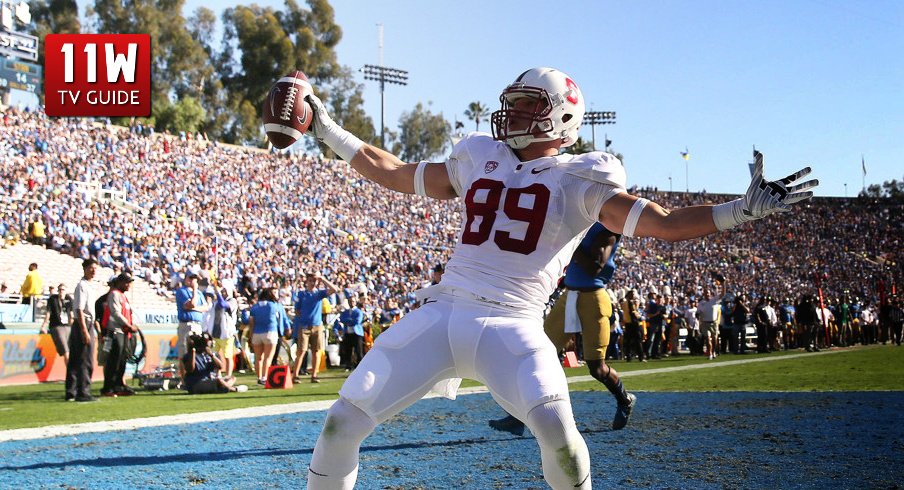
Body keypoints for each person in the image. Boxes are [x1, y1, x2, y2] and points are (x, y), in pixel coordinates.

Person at [302, 66, 817, 489]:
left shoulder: (581, 179)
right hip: (443, 310)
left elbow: (662, 223)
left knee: (559, 436)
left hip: (514, 322)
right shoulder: (478, 156)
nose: (515, 113)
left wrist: (738, 212)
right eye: (516, 102)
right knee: (342, 422)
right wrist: (327, 129)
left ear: (562, 118)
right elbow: (392, 170)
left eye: (530, 105)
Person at [489, 223, 636, 437]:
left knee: (597, 367)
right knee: (535, 352)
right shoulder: (585, 225)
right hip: (570, 295)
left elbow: (595, 266)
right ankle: (517, 417)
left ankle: (624, 400)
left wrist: (571, 244)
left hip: (593, 297)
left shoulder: (607, 230)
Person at [292, 272, 339, 384]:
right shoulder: (302, 295)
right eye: (310, 281)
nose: (312, 283)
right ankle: (295, 375)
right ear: (307, 282)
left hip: (317, 325)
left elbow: (334, 289)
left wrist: (323, 279)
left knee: (316, 351)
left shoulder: (319, 294)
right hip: (304, 326)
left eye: (314, 281)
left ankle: (314, 375)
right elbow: (297, 310)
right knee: (301, 351)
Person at [100, 271, 139, 397]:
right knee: (113, 361)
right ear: (120, 282)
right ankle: (108, 388)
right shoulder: (114, 294)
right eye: (127, 282)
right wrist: (128, 325)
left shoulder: (123, 296)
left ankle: (118, 386)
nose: (129, 285)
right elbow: (115, 313)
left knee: (122, 361)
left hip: (123, 332)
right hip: (115, 331)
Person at [65, 259, 99, 402]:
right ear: (85, 268)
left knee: (75, 359)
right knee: (85, 359)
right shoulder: (82, 286)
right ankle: (83, 392)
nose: (93, 271)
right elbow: (79, 309)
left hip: (86, 323)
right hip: (83, 323)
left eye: (95, 268)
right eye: (91, 268)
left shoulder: (90, 286)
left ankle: (71, 391)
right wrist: (84, 330)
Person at [248, 287, 291, 385]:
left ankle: (259, 378)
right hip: (270, 332)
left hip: (256, 333)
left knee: (258, 358)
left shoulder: (255, 306)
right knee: (268, 357)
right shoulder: (275, 305)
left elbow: (251, 322)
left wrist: (251, 336)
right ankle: (264, 377)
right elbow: (283, 318)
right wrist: (287, 328)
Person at [180, 332, 246, 394]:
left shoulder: (213, 354)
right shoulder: (190, 355)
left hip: (211, 379)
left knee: (231, 378)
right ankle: (234, 389)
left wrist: (211, 355)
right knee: (219, 381)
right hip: (197, 382)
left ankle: (221, 387)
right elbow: (190, 369)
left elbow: (220, 366)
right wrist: (193, 353)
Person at [203, 284, 239, 378]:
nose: (223, 292)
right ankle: (217, 374)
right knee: (214, 356)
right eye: (222, 291)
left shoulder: (232, 301)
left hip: (227, 333)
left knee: (227, 356)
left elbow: (223, 305)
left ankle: (228, 375)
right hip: (215, 333)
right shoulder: (216, 302)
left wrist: (217, 292)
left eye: (224, 291)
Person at [175, 273, 210, 367]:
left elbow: (206, 307)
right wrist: (194, 290)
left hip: (197, 324)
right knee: (185, 353)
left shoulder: (199, 293)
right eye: (190, 278)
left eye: (194, 279)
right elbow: (192, 304)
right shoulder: (182, 291)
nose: (192, 281)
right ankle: (185, 379)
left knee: (198, 352)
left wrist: (194, 309)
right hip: (186, 324)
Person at [41, 284, 72, 366]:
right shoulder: (53, 299)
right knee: (66, 351)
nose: (61, 291)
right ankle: (70, 375)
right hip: (57, 326)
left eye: (63, 290)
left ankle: (71, 373)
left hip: (67, 326)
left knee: (71, 350)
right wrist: (44, 325)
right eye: (60, 290)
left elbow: (71, 315)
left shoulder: (69, 299)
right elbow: (48, 313)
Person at [697, 280, 727, 360]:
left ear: (710, 294)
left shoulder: (714, 300)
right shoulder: (701, 303)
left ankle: (713, 351)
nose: (707, 294)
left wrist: (723, 284)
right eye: (705, 293)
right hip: (705, 323)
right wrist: (699, 322)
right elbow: (698, 313)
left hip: (713, 323)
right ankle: (709, 353)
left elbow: (723, 294)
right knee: (707, 339)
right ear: (703, 294)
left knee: (714, 339)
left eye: (708, 293)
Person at [340, 299, 366, 371]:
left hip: (357, 333)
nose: (352, 303)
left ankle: (360, 366)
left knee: (358, 350)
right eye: (350, 301)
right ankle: (348, 365)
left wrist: (348, 321)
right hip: (348, 333)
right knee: (348, 350)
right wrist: (350, 320)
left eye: (353, 301)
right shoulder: (345, 312)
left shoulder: (358, 311)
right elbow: (342, 319)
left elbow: (357, 321)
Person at [621, 289, 645, 362]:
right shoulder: (631, 303)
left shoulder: (624, 303)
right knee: (638, 340)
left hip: (628, 323)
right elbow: (633, 313)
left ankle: (629, 357)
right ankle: (641, 357)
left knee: (628, 341)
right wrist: (640, 317)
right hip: (633, 323)